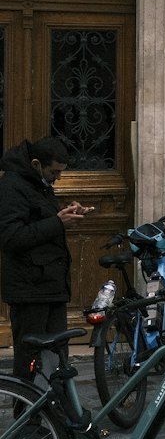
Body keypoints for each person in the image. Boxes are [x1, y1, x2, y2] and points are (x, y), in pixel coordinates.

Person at [0, 136, 89, 381]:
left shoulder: (38, 184)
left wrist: (67, 214)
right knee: (30, 359)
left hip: (51, 284)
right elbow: (10, 236)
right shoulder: (12, 186)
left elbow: (43, 218)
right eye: (54, 171)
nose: (58, 177)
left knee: (55, 357)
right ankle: (28, 415)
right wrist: (58, 222)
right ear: (37, 163)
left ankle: (55, 412)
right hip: (29, 289)